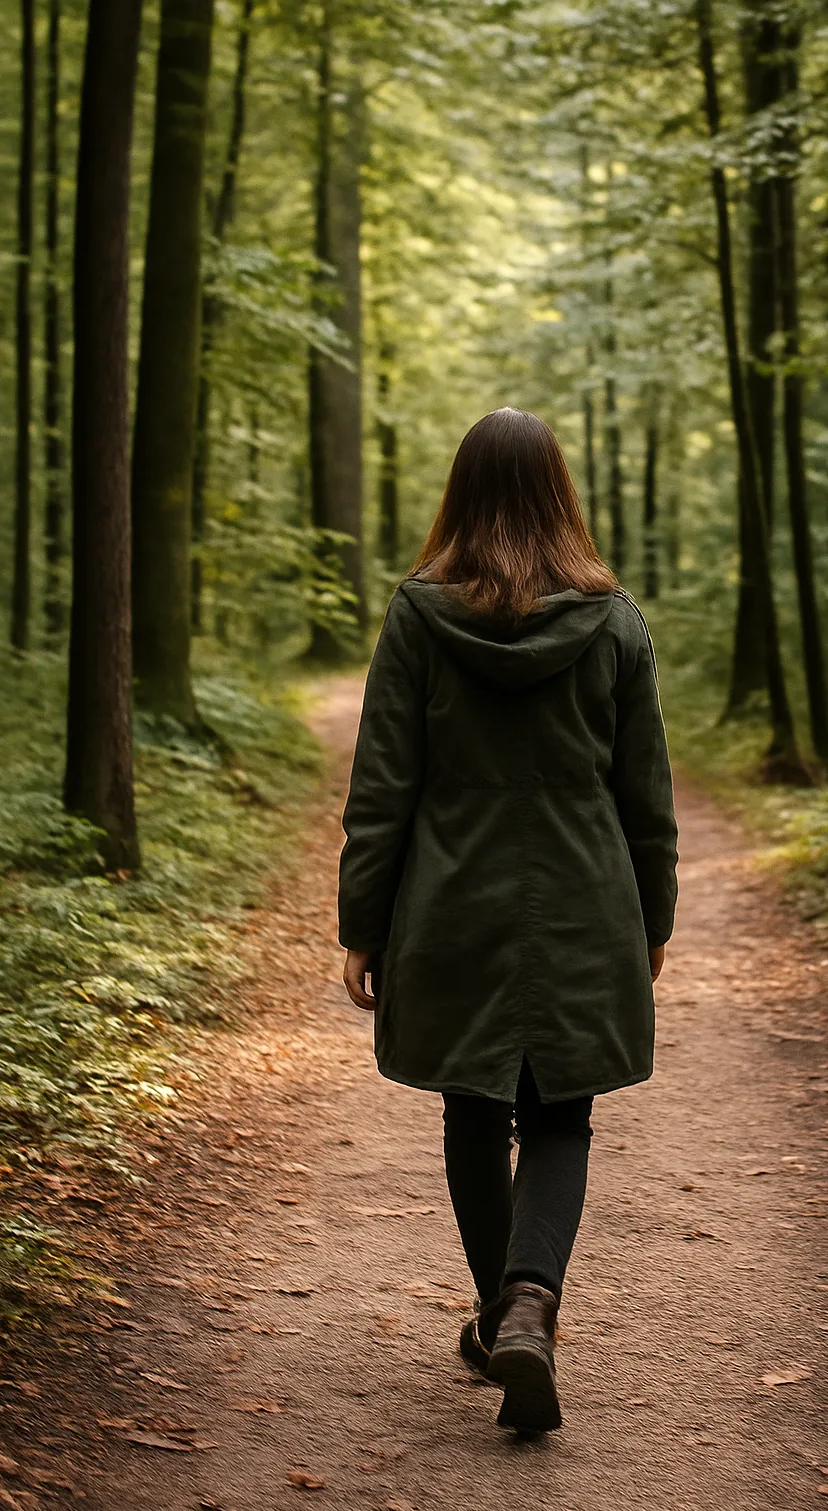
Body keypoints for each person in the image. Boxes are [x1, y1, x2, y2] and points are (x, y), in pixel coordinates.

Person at [338, 406, 678, 1436]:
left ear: (462, 491)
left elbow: (383, 786)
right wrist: (650, 919)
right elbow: (646, 798)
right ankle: (527, 1303)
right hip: (583, 899)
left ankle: (503, 1316)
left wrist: (366, 921)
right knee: (562, 1113)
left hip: (452, 899)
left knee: (474, 1111)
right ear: (559, 491)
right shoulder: (613, 620)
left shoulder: (418, 614)